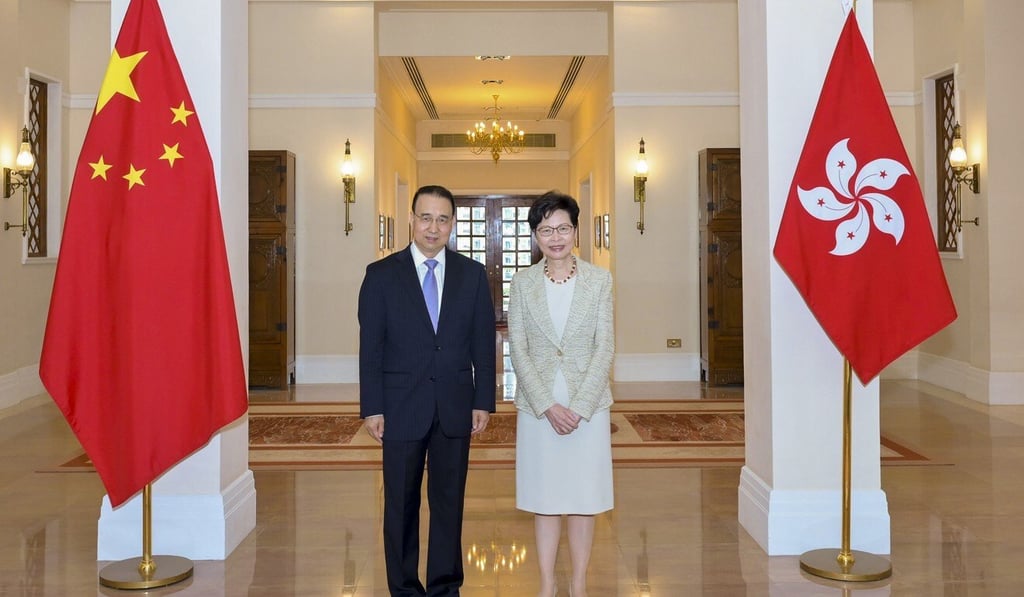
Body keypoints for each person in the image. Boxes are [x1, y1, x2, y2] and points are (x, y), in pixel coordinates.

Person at [359, 184, 497, 597]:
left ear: (452, 224)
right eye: (426, 217)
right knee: (400, 507)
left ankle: (444, 587)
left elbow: (482, 343)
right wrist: (373, 407)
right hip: (400, 409)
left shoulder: (471, 275)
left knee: (448, 505)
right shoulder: (381, 275)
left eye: (442, 219)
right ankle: (403, 589)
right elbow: (371, 349)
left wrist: (483, 401)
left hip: (455, 407)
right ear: (411, 219)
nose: (433, 228)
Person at [508, 191, 614, 597]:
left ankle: (580, 582)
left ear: (576, 231)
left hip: (587, 406)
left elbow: (604, 346)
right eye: (546, 230)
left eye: (563, 228)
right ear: (535, 235)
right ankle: (548, 584)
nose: (556, 237)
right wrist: (547, 405)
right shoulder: (522, 283)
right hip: (539, 408)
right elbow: (518, 348)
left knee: (584, 497)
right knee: (546, 496)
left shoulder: (599, 280)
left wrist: (581, 406)